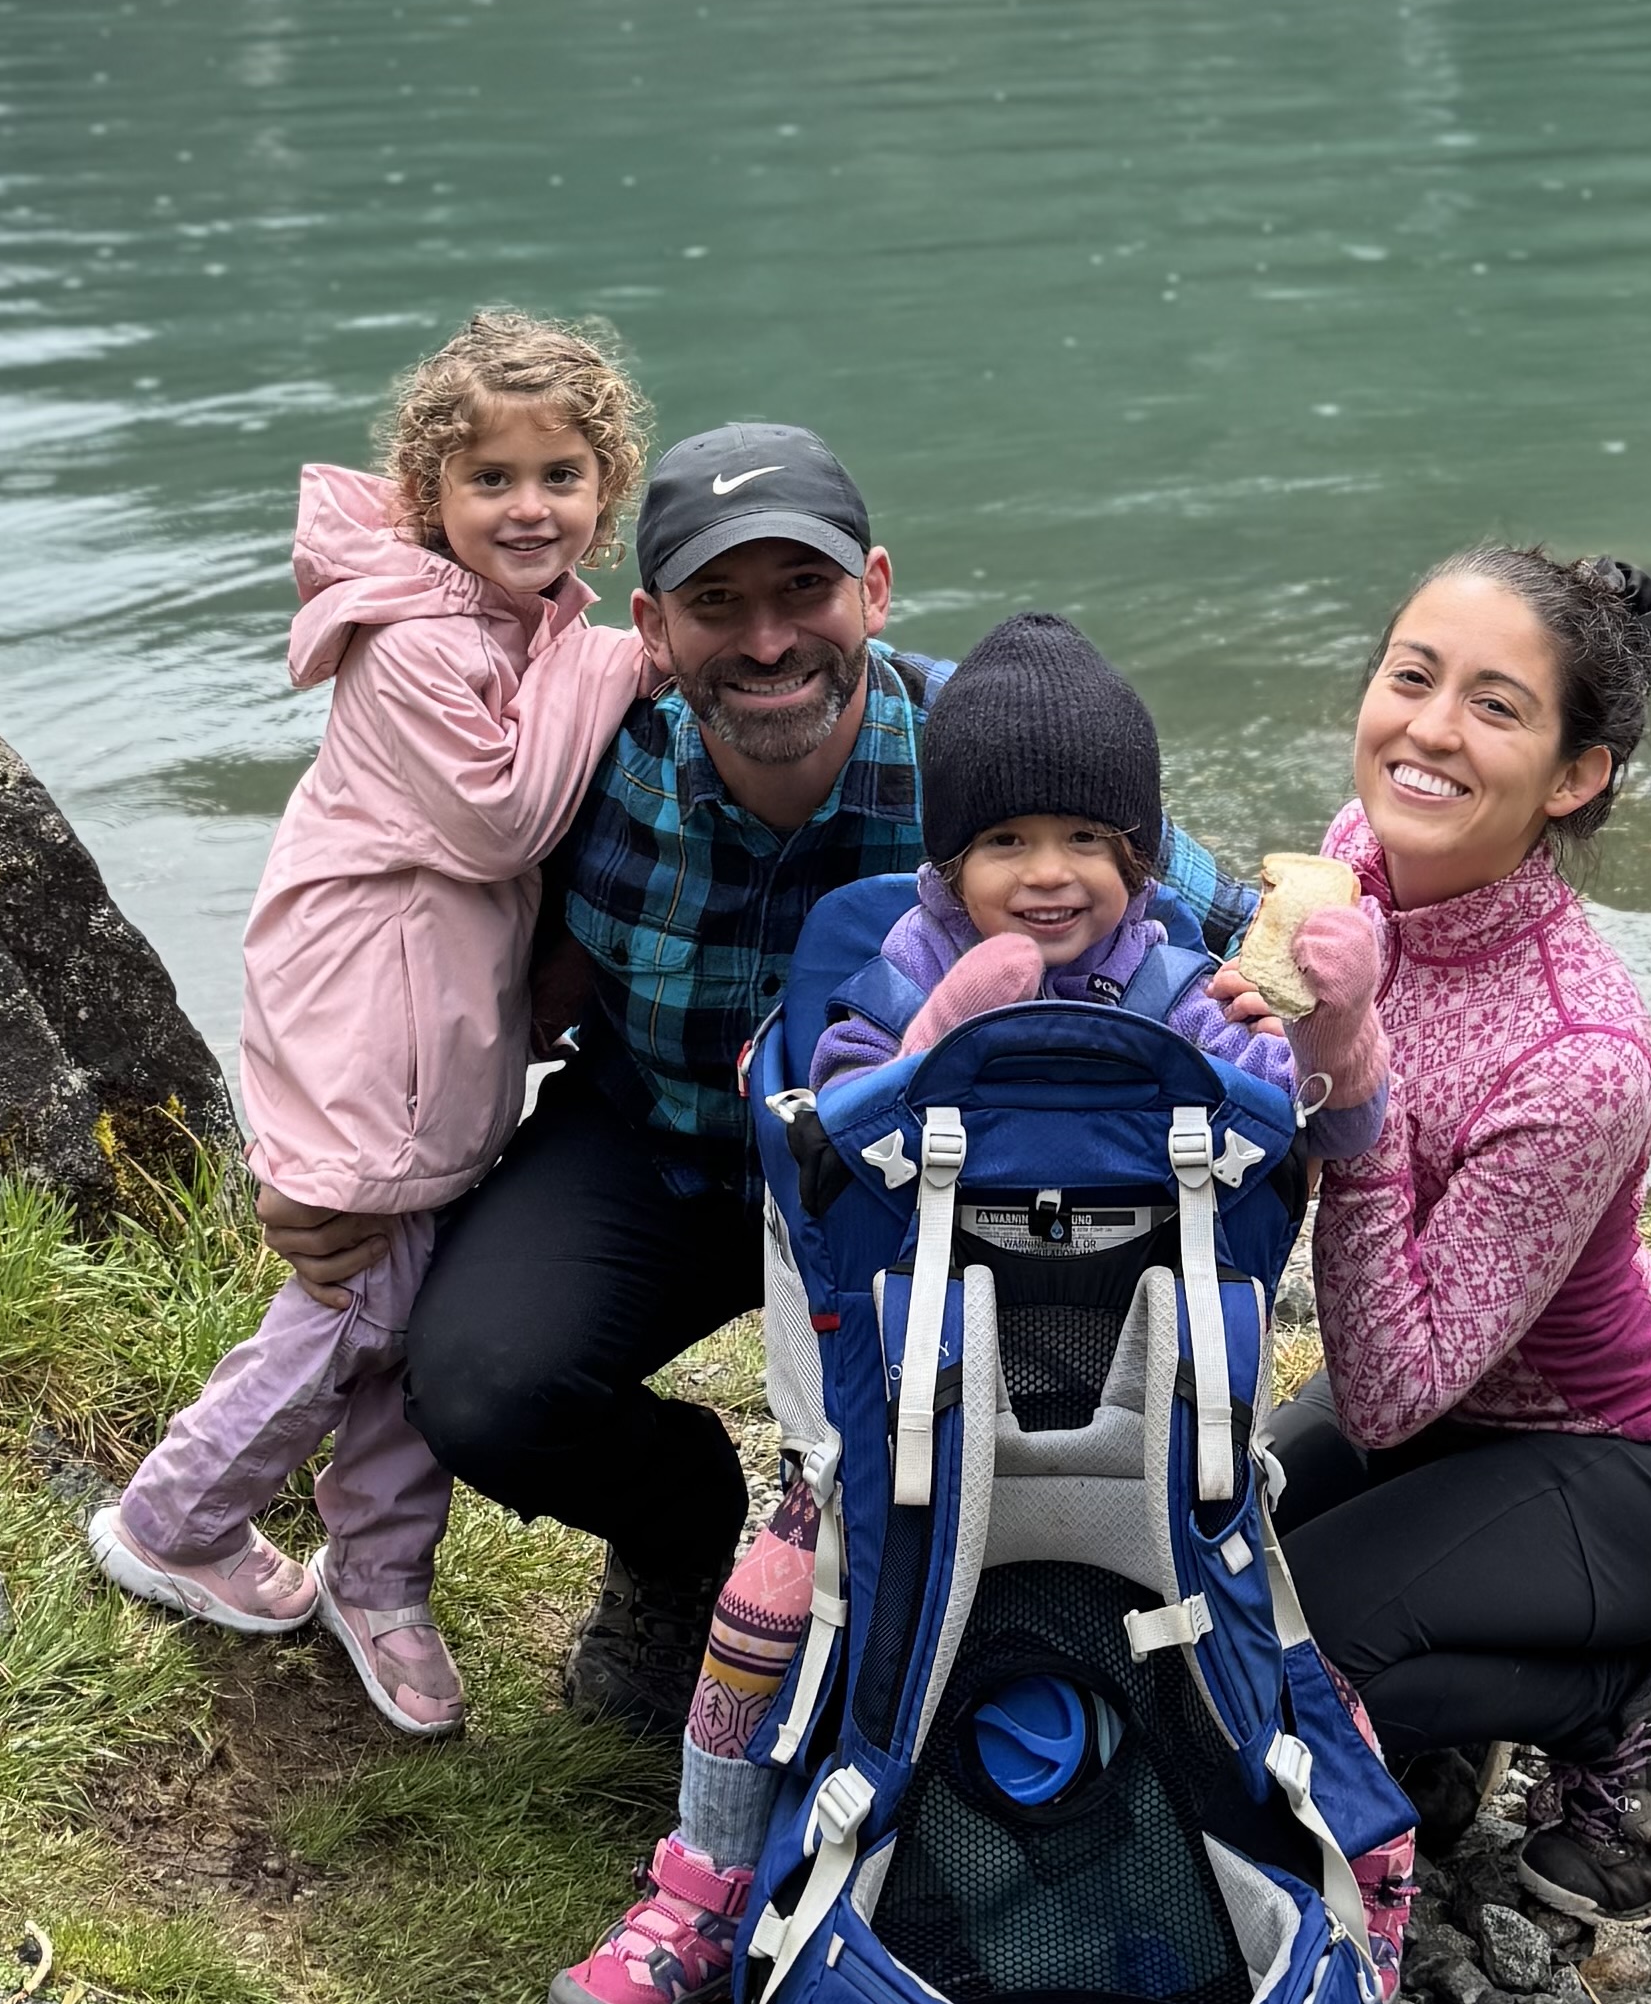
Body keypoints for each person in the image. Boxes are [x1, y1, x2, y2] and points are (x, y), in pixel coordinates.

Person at [541, 610, 1380, 2004]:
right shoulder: (894, 957)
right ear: (948, 858)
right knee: (763, 1609)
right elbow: (818, 1140)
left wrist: (1338, 1034)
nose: (1045, 877)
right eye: (1005, 844)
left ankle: (1344, 1873)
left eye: (1083, 842)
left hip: (1145, 1420)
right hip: (905, 1408)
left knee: (1275, 1622)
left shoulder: (1180, 977)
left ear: (1137, 854)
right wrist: (941, 1034)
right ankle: (710, 1877)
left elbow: (1319, 1136)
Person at [402, 427, 1257, 1744]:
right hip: (663, 1143)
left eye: (802, 592)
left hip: (920, 1192)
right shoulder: (584, 759)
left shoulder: (987, 757)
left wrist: (1347, 1026)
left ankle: (1019, 1628)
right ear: (650, 624)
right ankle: (683, 1534)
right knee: (476, 1384)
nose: (764, 643)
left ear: (874, 588)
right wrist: (335, 1165)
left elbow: (1221, 921)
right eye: (716, 604)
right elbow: (399, 928)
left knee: (1005, 1452)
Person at [83, 310, 655, 1738]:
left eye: (563, 475)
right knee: (358, 1295)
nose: (531, 507)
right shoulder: (409, 641)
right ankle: (174, 1517)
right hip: (364, 1016)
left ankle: (381, 1572)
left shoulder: (517, 622)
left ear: (608, 485)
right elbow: (502, 817)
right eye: (492, 480)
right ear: (427, 497)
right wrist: (621, 662)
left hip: (439, 1027)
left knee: (425, 1288)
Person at [1229, 543, 1651, 1931]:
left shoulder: (1582, 1051)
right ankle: (1442, 1728)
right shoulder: (1359, 863)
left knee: (1304, 1645)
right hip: (1457, 1418)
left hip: (1632, 1465)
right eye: (1412, 677)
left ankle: (1644, 1706)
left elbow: (1394, 1386)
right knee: (1214, 1560)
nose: (1428, 729)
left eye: (1495, 706)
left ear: (1573, 775)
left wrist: (1352, 1076)